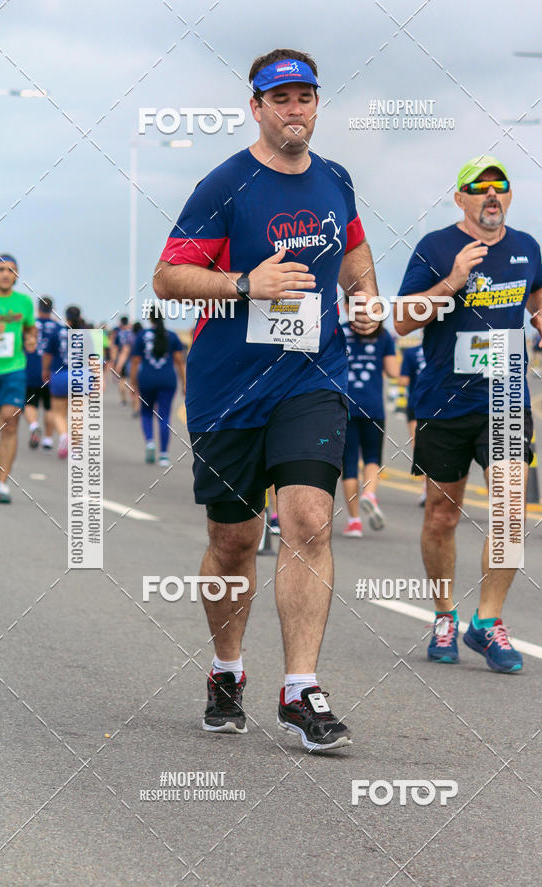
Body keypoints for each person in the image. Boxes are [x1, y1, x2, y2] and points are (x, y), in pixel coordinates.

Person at [153, 48, 379, 750]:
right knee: (234, 541)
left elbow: (353, 253)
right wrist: (246, 284)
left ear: (317, 105)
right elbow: (167, 279)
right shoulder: (224, 186)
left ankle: (301, 689)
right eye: (281, 99)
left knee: (309, 518)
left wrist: (364, 297)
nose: (295, 109)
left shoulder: (336, 179)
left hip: (312, 377)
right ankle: (227, 669)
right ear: (256, 107)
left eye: (306, 97)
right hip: (229, 390)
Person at [396, 155, 542, 673]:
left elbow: (540, 284)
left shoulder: (526, 246)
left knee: (509, 514)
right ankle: (445, 615)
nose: (491, 194)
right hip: (445, 399)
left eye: (499, 186)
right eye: (478, 187)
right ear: (459, 197)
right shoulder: (437, 247)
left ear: (508, 197)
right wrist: (452, 282)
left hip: (507, 394)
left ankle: (487, 623)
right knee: (442, 514)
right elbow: (400, 322)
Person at [341, 295, 399, 537]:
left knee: (349, 464)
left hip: (345, 406)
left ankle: (354, 521)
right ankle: (370, 494)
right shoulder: (383, 336)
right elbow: (394, 372)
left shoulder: (340, 333)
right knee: (373, 457)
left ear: (346, 307)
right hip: (373, 406)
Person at [0, 254, 36, 503]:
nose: (5, 274)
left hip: (14, 369)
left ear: (17, 275)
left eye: (10, 270)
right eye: (0, 269)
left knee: (10, 421)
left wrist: (31, 339)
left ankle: (1, 482)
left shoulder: (24, 303)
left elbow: (31, 328)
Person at [129, 308, 185, 466]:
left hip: (146, 379)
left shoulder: (142, 336)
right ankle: (164, 455)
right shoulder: (172, 336)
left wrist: (133, 382)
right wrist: (185, 382)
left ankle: (150, 442)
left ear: (150, 318)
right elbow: (179, 361)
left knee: (146, 413)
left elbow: (135, 361)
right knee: (164, 416)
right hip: (167, 379)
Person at [42, 305, 84, 459]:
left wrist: (45, 370)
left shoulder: (57, 332)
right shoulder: (87, 333)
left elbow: (47, 354)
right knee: (77, 413)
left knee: (58, 413)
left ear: (66, 317)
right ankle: (75, 449)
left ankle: (63, 436)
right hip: (80, 375)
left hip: (60, 374)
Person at [24, 296, 59, 450]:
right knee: (49, 407)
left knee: (29, 403)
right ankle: (48, 440)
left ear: (38, 308)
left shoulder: (30, 326)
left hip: (30, 369)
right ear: (52, 309)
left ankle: (33, 425)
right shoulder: (58, 328)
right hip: (51, 372)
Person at [398, 341, 426, 505]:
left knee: (419, 447)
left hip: (416, 405)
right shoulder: (443, 349)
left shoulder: (410, 352)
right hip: (438, 405)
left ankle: (425, 489)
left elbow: (403, 381)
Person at [113, 315, 134, 405]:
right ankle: (134, 401)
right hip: (133, 358)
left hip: (121, 358)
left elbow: (115, 347)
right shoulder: (132, 332)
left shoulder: (119, 333)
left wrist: (115, 361)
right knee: (133, 381)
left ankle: (124, 399)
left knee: (122, 380)